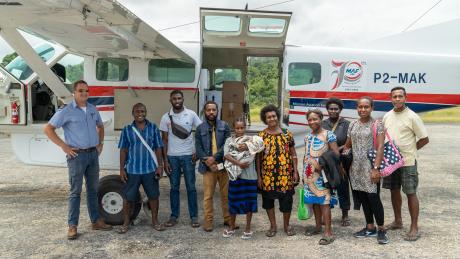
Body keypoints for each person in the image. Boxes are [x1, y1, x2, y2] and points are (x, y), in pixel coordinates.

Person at [44, 80, 112, 240]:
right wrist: (64, 146)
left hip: (92, 155)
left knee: (93, 190)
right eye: (81, 91)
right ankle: (72, 226)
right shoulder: (66, 110)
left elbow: (100, 126)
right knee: (75, 192)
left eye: (86, 91)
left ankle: (95, 221)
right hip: (77, 156)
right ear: (74, 93)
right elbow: (48, 128)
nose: (84, 93)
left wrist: (100, 143)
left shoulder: (92, 109)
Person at [382, 86, 429, 241]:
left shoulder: (412, 116)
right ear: (391, 98)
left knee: (410, 192)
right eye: (394, 96)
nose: (397, 99)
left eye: (400, 96)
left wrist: (411, 150)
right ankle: (398, 221)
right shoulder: (387, 116)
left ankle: (414, 227)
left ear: (405, 98)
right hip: (391, 162)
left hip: (407, 162)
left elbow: (424, 139)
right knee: (394, 190)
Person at [343, 97, 389, 244]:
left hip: (370, 168)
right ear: (357, 108)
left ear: (372, 108)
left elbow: (381, 147)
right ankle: (370, 227)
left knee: (374, 199)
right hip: (355, 169)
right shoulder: (353, 124)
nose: (363, 109)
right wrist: (342, 159)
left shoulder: (377, 125)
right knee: (363, 198)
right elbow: (348, 144)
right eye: (360, 107)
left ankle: (381, 229)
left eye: (366, 107)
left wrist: (376, 168)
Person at [117, 103, 165, 233]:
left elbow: (158, 148)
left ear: (146, 112)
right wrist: (121, 169)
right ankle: (126, 222)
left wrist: (160, 166)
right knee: (128, 197)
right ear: (133, 113)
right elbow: (123, 150)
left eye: (143, 111)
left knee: (153, 196)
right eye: (137, 111)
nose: (140, 113)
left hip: (150, 169)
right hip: (132, 170)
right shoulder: (127, 130)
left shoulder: (153, 128)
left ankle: (155, 221)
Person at [160, 90, 202, 228]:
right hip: (172, 157)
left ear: (183, 99)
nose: (177, 100)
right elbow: (164, 141)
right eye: (174, 98)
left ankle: (194, 216)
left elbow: (201, 132)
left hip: (189, 155)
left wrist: (198, 151)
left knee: (191, 187)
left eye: (179, 98)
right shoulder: (165, 117)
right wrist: (165, 161)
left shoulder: (191, 114)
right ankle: (174, 216)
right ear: (170, 100)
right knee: (174, 188)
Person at [257, 104, 299, 237]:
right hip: (267, 176)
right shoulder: (261, 136)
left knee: (287, 201)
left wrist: (295, 171)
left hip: (285, 176)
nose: (271, 119)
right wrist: (259, 176)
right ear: (265, 119)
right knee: (268, 202)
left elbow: (293, 154)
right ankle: (273, 226)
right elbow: (258, 158)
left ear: (277, 116)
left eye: (274, 116)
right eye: (268, 117)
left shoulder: (287, 134)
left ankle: (287, 225)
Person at [222, 118, 263, 239]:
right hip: (235, 176)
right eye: (237, 128)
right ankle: (231, 227)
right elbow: (226, 155)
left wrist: (247, 147)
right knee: (233, 201)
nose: (239, 130)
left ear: (245, 128)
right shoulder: (229, 140)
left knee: (249, 203)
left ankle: (248, 228)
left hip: (250, 176)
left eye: (242, 128)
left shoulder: (251, 141)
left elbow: (259, 151)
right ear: (233, 128)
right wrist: (238, 163)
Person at [303, 109, 339, 245]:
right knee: (314, 202)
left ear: (321, 119)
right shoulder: (307, 137)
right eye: (310, 120)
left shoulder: (328, 135)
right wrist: (303, 174)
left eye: (315, 119)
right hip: (308, 175)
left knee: (324, 202)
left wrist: (321, 164)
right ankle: (318, 227)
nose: (312, 122)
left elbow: (336, 155)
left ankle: (328, 232)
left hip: (323, 176)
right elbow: (306, 156)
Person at [195, 101, 231, 232]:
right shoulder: (200, 128)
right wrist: (208, 161)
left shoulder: (225, 126)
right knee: (208, 196)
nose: (211, 112)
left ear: (218, 111)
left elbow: (227, 145)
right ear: (204, 112)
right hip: (207, 168)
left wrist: (214, 159)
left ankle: (228, 219)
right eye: (208, 110)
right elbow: (198, 148)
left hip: (223, 166)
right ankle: (208, 222)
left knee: (226, 195)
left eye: (214, 110)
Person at [322, 97, 353, 226]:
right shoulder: (323, 123)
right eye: (331, 109)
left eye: (336, 109)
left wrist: (335, 149)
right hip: (326, 160)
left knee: (342, 186)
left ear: (340, 110)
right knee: (326, 186)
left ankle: (345, 215)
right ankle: (326, 214)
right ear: (327, 110)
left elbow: (349, 142)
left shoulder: (346, 124)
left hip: (341, 160)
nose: (333, 111)